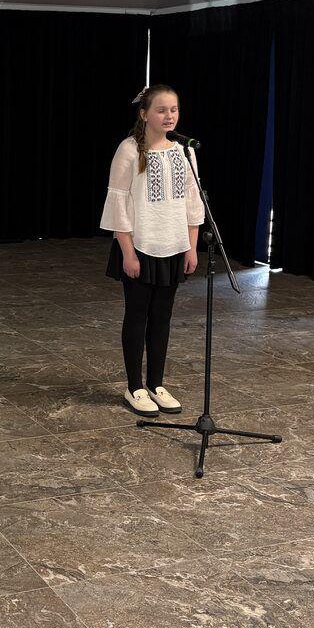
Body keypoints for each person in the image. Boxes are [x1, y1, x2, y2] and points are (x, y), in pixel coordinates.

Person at [100, 83, 203, 416]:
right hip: (140, 247)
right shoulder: (129, 150)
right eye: (161, 110)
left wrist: (191, 247)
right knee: (137, 316)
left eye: (174, 109)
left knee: (162, 318)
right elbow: (118, 203)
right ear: (144, 114)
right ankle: (134, 387)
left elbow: (192, 202)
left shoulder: (185, 151)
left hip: (173, 246)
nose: (169, 116)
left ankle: (156, 383)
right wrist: (128, 252)